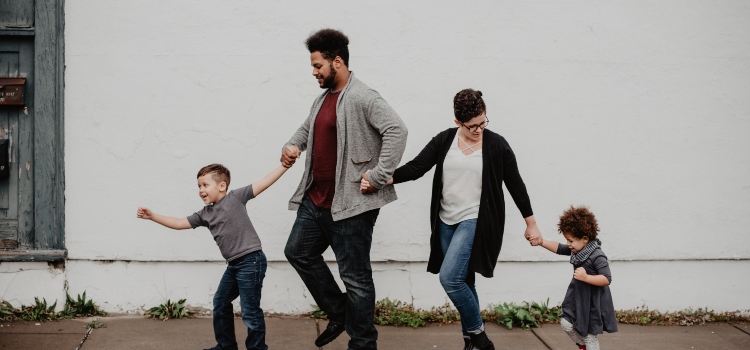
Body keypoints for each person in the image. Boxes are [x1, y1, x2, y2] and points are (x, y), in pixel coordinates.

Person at [361, 89, 543, 350]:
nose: (479, 130)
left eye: (483, 122)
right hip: (446, 221)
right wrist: (380, 180)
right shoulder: (445, 140)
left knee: (450, 279)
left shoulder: (497, 145)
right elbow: (416, 167)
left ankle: (480, 337)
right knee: (465, 281)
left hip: (476, 220)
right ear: (458, 122)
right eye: (472, 126)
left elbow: (516, 184)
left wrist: (531, 222)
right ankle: (471, 343)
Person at [281, 28, 407, 350]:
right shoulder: (323, 98)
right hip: (316, 201)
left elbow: (397, 130)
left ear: (337, 62)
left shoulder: (364, 96)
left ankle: (363, 343)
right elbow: (307, 129)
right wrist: (294, 145)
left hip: (351, 205)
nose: (314, 72)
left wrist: (379, 175)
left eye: (317, 66)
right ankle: (339, 313)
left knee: (356, 279)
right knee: (298, 252)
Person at [137, 163, 291, 350]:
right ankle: (226, 346)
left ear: (222, 186)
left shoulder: (235, 198)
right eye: (199, 186)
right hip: (234, 265)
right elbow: (178, 223)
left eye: (205, 185)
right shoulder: (205, 214)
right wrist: (152, 216)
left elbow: (264, 183)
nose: (201, 190)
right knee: (221, 301)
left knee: (250, 311)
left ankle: (257, 348)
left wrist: (284, 166)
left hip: (251, 261)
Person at [538, 206, 617, 350]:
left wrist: (586, 277)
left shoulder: (597, 255)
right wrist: (541, 242)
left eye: (571, 241)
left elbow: (607, 278)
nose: (568, 244)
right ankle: (582, 345)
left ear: (585, 239)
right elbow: (559, 248)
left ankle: (587, 345)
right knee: (566, 323)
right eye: (567, 240)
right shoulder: (578, 249)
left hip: (592, 302)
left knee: (589, 337)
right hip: (578, 297)